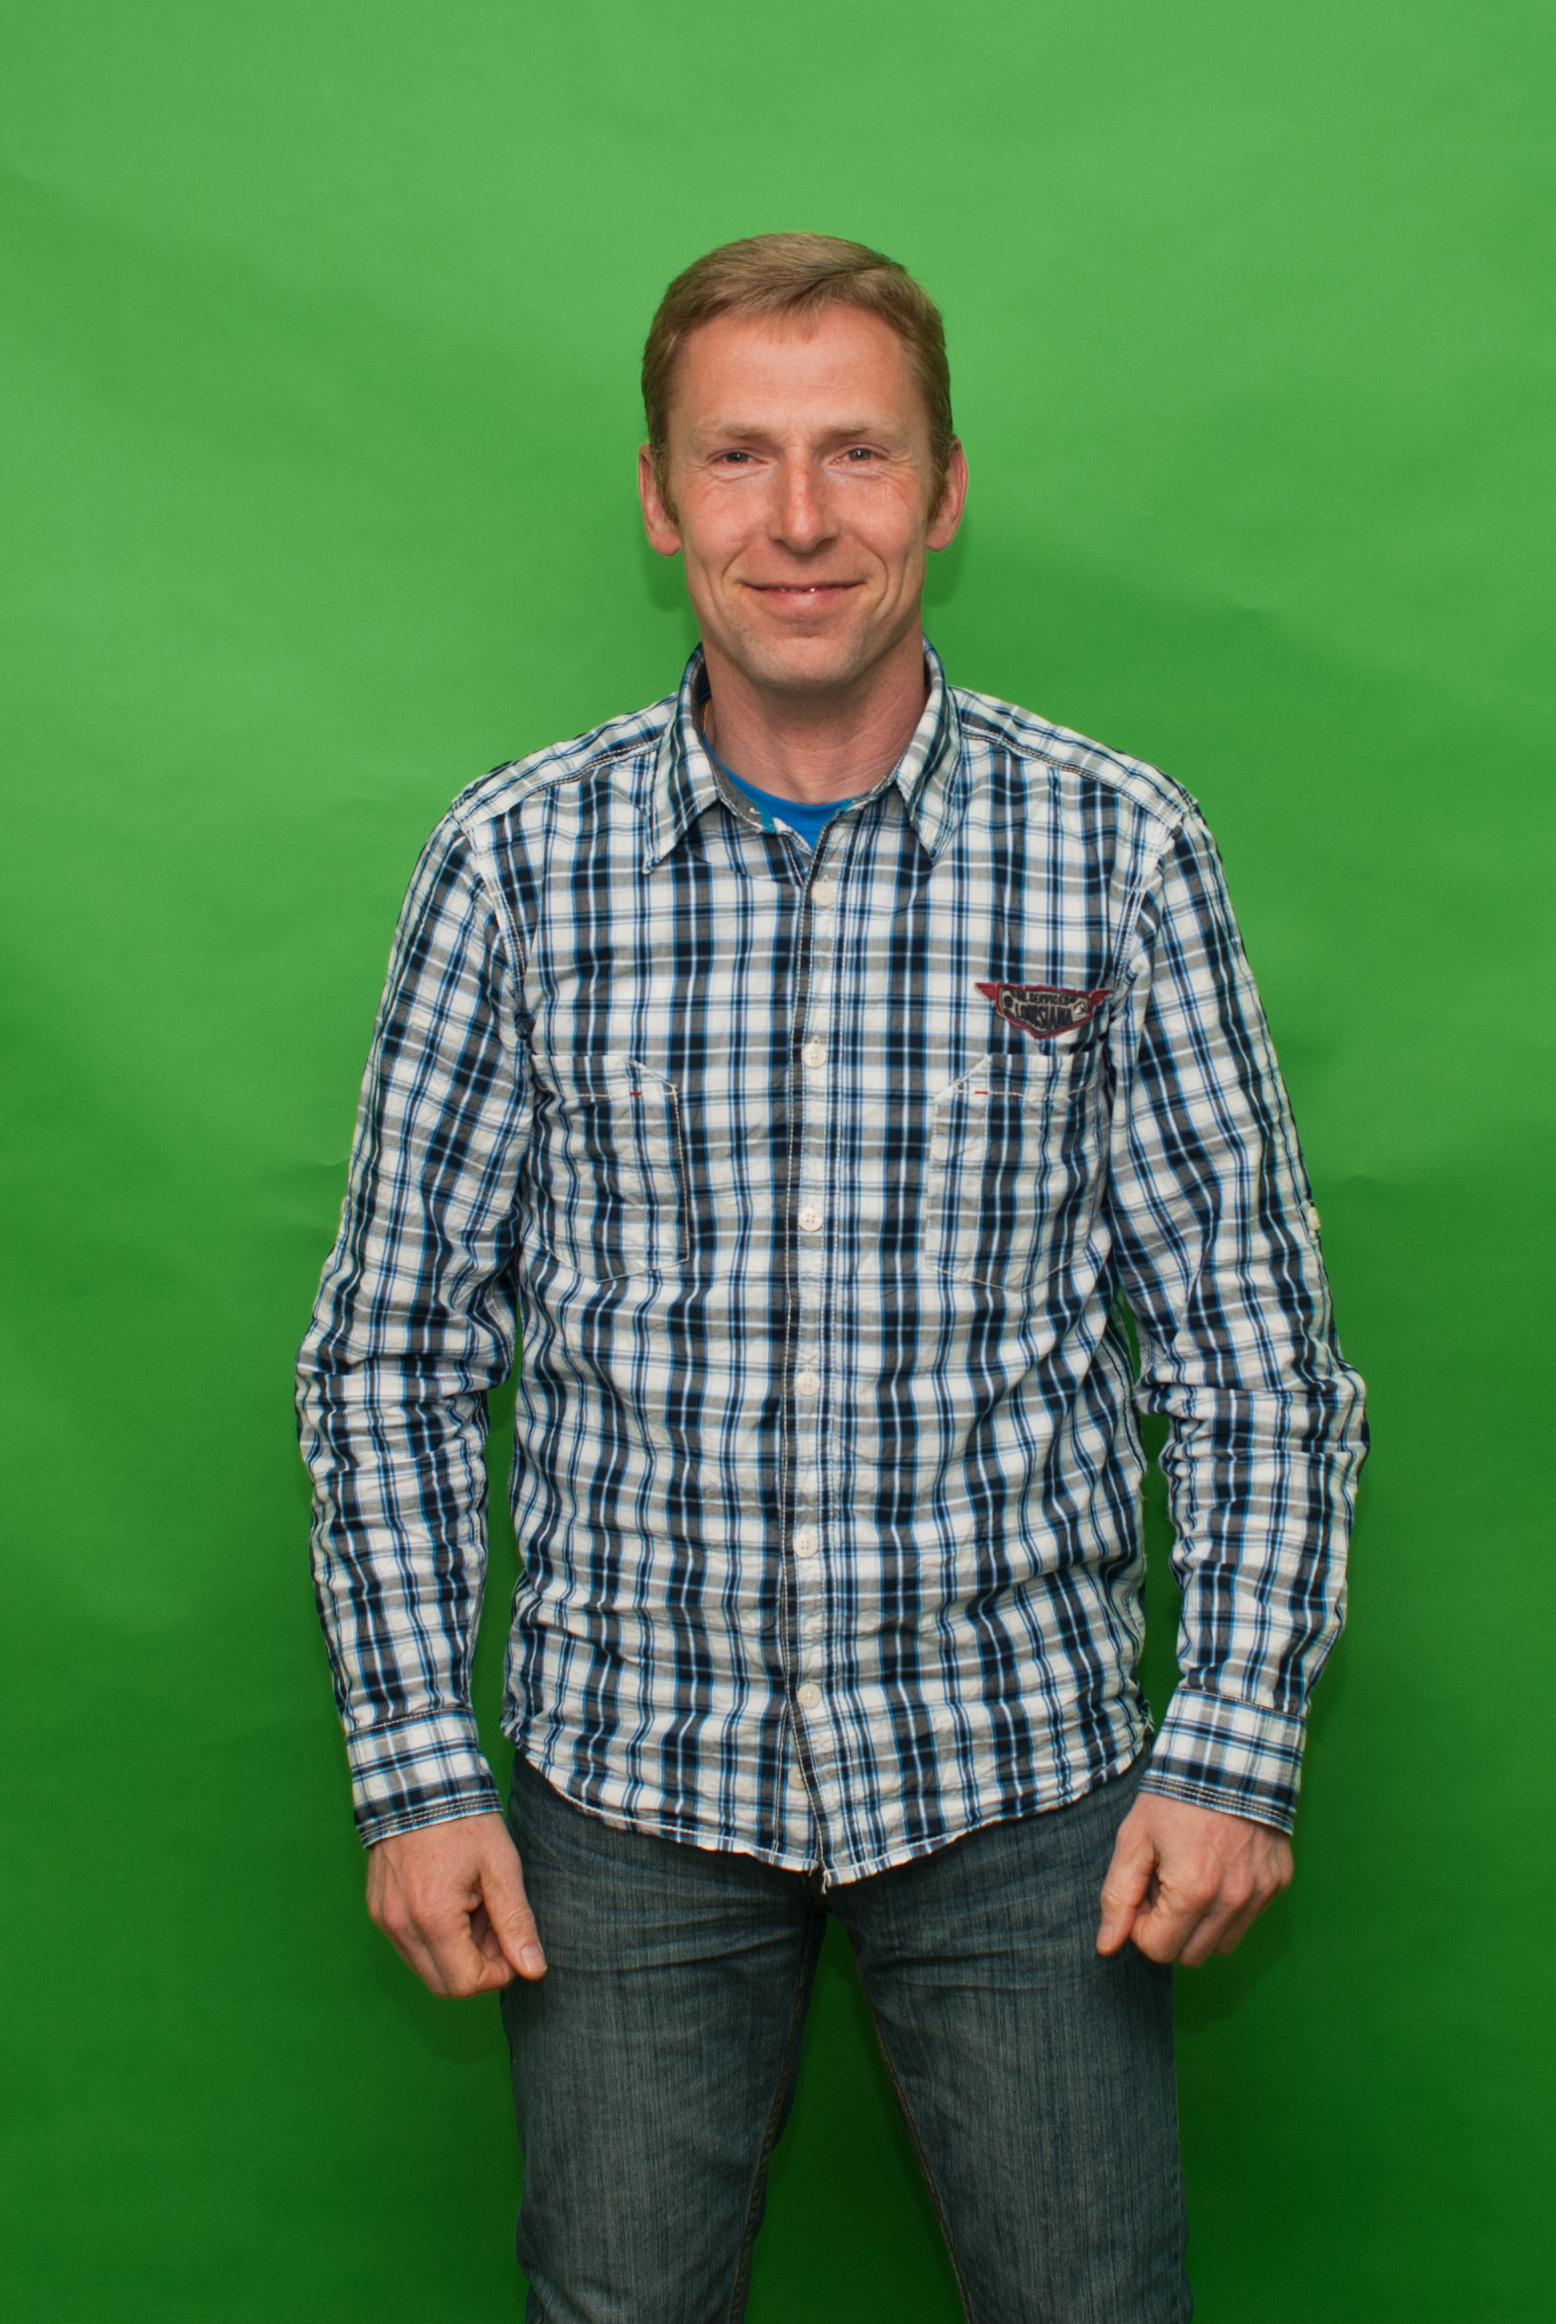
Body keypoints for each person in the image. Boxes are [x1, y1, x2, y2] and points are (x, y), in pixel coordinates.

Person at [297, 233, 1366, 2323]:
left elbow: (1252, 1355)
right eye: (740, 459)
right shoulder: (515, 863)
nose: (799, 521)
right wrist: (417, 1761)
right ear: (657, 496)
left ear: (945, 490)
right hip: (627, 1782)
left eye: (857, 454)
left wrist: (1231, 1734)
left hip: (1025, 1781)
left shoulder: (1115, 851)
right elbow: (391, 1358)